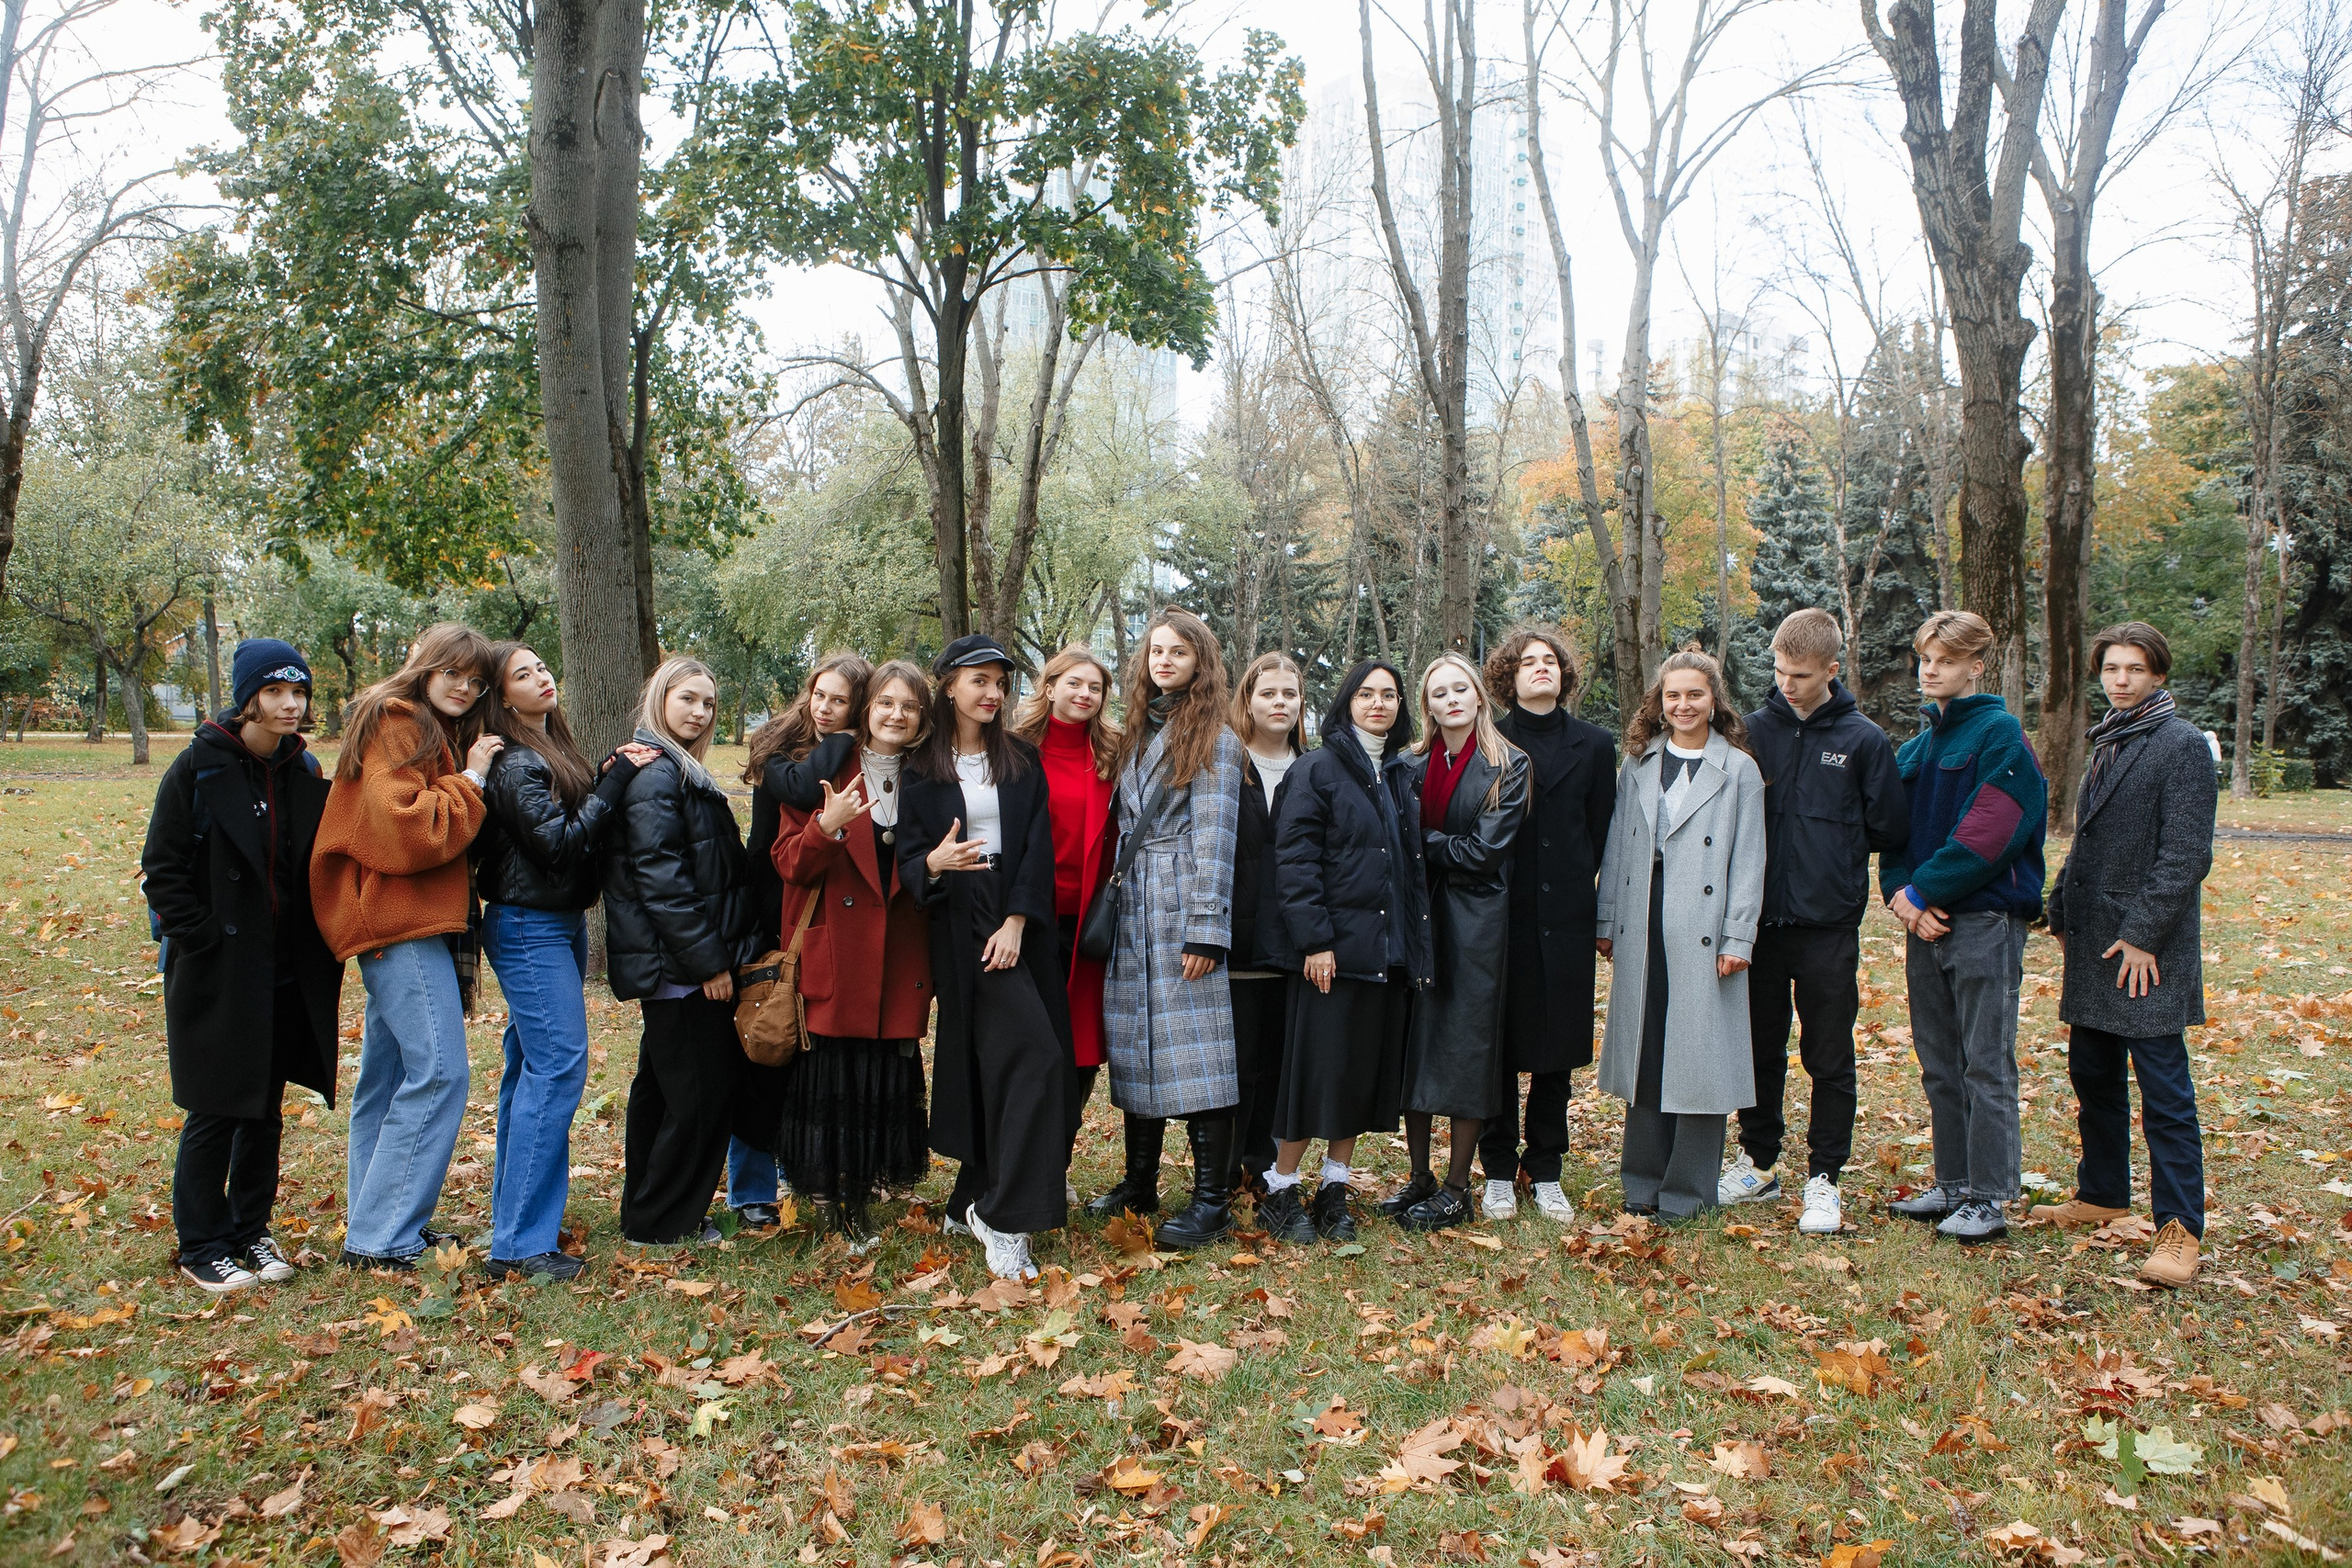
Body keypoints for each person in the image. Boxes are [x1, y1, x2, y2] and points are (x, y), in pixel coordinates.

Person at [142, 639, 345, 1292]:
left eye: (300, 693)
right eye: (277, 692)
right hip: (220, 966)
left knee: (264, 1109)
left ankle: (249, 1228)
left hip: (284, 966)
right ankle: (202, 1243)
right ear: (249, 696)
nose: (291, 704)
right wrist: (203, 937)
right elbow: (163, 866)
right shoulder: (198, 766)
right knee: (216, 1106)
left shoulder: (301, 767)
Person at [311, 623, 503, 1269]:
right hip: (398, 920)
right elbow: (405, 829)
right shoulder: (398, 720)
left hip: (403, 919)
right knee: (441, 1070)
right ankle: (384, 1236)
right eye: (454, 671)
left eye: (476, 680)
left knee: (389, 1077)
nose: (465, 687)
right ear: (423, 664)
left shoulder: (419, 726)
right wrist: (472, 780)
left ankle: (376, 1223)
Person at [2033, 622, 2213, 1287]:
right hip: (2094, 942)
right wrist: (2057, 907)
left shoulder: (2181, 745)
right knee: (2094, 1076)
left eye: (2135, 668)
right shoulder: (2109, 739)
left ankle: (2179, 1230)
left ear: (2158, 674)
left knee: (2165, 1092)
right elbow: (2089, 840)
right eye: (2112, 667)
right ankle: (2103, 1190)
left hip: (2146, 951)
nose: (2121, 679)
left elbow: (2187, 854)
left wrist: (2142, 933)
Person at [1719, 609, 1907, 1236]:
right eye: (1779, 671)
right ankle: (1758, 1160)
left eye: (1800, 674)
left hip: (1828, 927)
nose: (1787, 684)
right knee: (1758, 1047)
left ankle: (1824, 1177)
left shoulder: (1864, 740)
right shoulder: (1750, 732)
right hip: (1760, 925)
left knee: (1828, 1055)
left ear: (1832, 669)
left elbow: (1887, 827)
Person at [898, 635, 1073, 1280]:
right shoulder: (919, 770)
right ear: (948, 686)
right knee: (1022, 1056)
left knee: (1024, 1054)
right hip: (959, 919)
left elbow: (1037, 846)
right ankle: (1002, 1214)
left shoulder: (1022, 760)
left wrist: (1018, 921)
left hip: (1016, 915)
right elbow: (910, 862)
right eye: (980, 680)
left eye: (1000, 681)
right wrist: (932, 864)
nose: (993, 692)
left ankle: (974, 1198)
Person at [474, 643, 648, 1282]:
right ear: (501, 695)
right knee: (557, 1069)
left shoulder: (550, 751)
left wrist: (601, 778)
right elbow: (558, 847)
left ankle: (514, 1221)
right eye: (523, 674)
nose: (541, 677)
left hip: (558, 922)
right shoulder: (516, 762)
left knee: (529, 1070)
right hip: (529, 925)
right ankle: (519, 1244)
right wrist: (615, 782)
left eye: (542, 667)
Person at [1880, 611, 2049, 1245]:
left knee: (1985, 1062)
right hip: (1923, 924)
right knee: (1939, 1062)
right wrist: (1902, 895)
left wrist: (1925, 889)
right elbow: (1891, 833)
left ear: (1976, 665)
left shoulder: (2001, 736)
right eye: (1925, 656)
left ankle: (1989, 1195)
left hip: (1984, 920)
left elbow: (1992, 829)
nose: (1931, 668)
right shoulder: (1918, 747)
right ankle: (1952, 1182)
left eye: (1946, 659)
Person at [1261, 660, 1430, 1245]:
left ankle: (1333, 1187)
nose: (1378, 703)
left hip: (1384, 953)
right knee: (1315, 1073)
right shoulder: (1318, 770)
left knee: (1356, 1075)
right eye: (1366, 694)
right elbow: (1296, 861)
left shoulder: (1401, 773)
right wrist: (1316, 940)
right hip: (1330, 952)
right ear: (1346, 702)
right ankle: (1280, 1190)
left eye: (1389, 694)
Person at [1594, 650, 1766, 1222]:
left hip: (1706, 929)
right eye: (1673, 696)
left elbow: (1749, 860)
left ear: (1714, 700)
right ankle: (1640, 1182)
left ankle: (1688, 1191)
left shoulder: (1738, 769)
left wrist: (1739, 937)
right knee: (1648, 1051)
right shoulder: (1639, 763)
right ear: (1659, 703)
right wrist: (1608, 919)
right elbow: (1619, 846)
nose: (1683, 705)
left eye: (1694, 695)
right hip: (1644, 920)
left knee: (1699, 1058)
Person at [771, 660, 936, 1247]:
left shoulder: (928, 776)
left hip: (900, 955)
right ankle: (828, 1195)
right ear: (866, 709)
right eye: (886, 703)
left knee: (882, 1073)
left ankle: (864, 1191)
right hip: (838, 951)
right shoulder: (823, 770)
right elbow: (789, 863)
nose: (897, 715)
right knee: (834, 1073)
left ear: (922, 719)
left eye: (910, 707)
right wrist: (827, 825)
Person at [1096, 610, 1245, 1250]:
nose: (1164, 660)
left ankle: (1212, 1200)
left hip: (1185, 902)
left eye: (1178, 652)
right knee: (1138, 1043)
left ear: (1200, 661)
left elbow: (1217, 839)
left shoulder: (1214, 737)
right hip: (1134, 907)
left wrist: (1207, 929)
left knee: (1200, 1050)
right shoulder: (1131, 733)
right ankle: (1140, 1182)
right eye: (1155, 650)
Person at [602, 657, 761, 1249]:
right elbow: (661, 880)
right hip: (682, 969)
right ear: (660, 698)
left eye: (709, 704)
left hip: (681, 963)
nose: (699, 713)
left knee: (663, 1091)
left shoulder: (674, 768)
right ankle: (664, 1222)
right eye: (688, 699)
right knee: (700, 1096)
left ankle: (646, 1210)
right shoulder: (655, 774)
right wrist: (709, 964)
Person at [1384, 652, 1530, 1232]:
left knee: (1467, 1046)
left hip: (1475, 923)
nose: (1451, 700)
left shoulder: (1508, 764)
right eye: (1438, 692)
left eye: (1460, 689)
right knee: (1416, 1041)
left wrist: (1421, 844)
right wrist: (1433, 844)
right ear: (1427, 704)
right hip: (1417, 916)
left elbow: (1484, 851)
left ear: (1478, 696)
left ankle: (1456, 1186)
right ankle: (1419, 1177)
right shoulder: (1410, 764)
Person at [1476, 627, 1616, 1224]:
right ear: (1509, 675)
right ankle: (1500, 1171)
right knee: (1500, 1049)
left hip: (1566, 919)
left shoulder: (1595, 745)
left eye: (1550, 661)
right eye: (1528, 661)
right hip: (1500, 916)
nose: (1541, 668)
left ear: (1564, 675)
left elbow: (1605, 834)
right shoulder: (1492, 740)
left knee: (1556, 1048)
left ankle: (1549, 1166)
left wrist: (1602, 915)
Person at [736, 653, 872, 1228]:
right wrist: (846, 735)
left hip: (810, 914)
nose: (824, 707)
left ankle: (800, 1169)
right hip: (766, 908)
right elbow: (796, 787)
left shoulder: (847, 755)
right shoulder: (780, 746)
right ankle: (749, 1188)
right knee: (764, 1043)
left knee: (802, 1054)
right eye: (820, 694)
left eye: (839, 700)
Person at [1010, 646, 1121, 1185]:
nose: (1084, 695)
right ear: (1048, 686)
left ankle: (1056, 1164)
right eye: (1073, 683)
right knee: (1032, 1040)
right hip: (1028, 919)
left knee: (1080, 1045)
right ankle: (1018, 1161)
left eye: (1095, 688)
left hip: (1090, 925)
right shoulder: (1014, 751)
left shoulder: (1113, 755)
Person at [1224, 652, 1306, 1198]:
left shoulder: (1315, 767)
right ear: (1248, 702)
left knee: (1280, 1062)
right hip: (1235, 940)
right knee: (1237, 1064)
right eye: (1268, 694)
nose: (1279, 703)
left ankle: (1269, 1169)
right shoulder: (1227, 764)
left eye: (1289, 694)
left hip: (1298, 946)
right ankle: (1225, 1171)